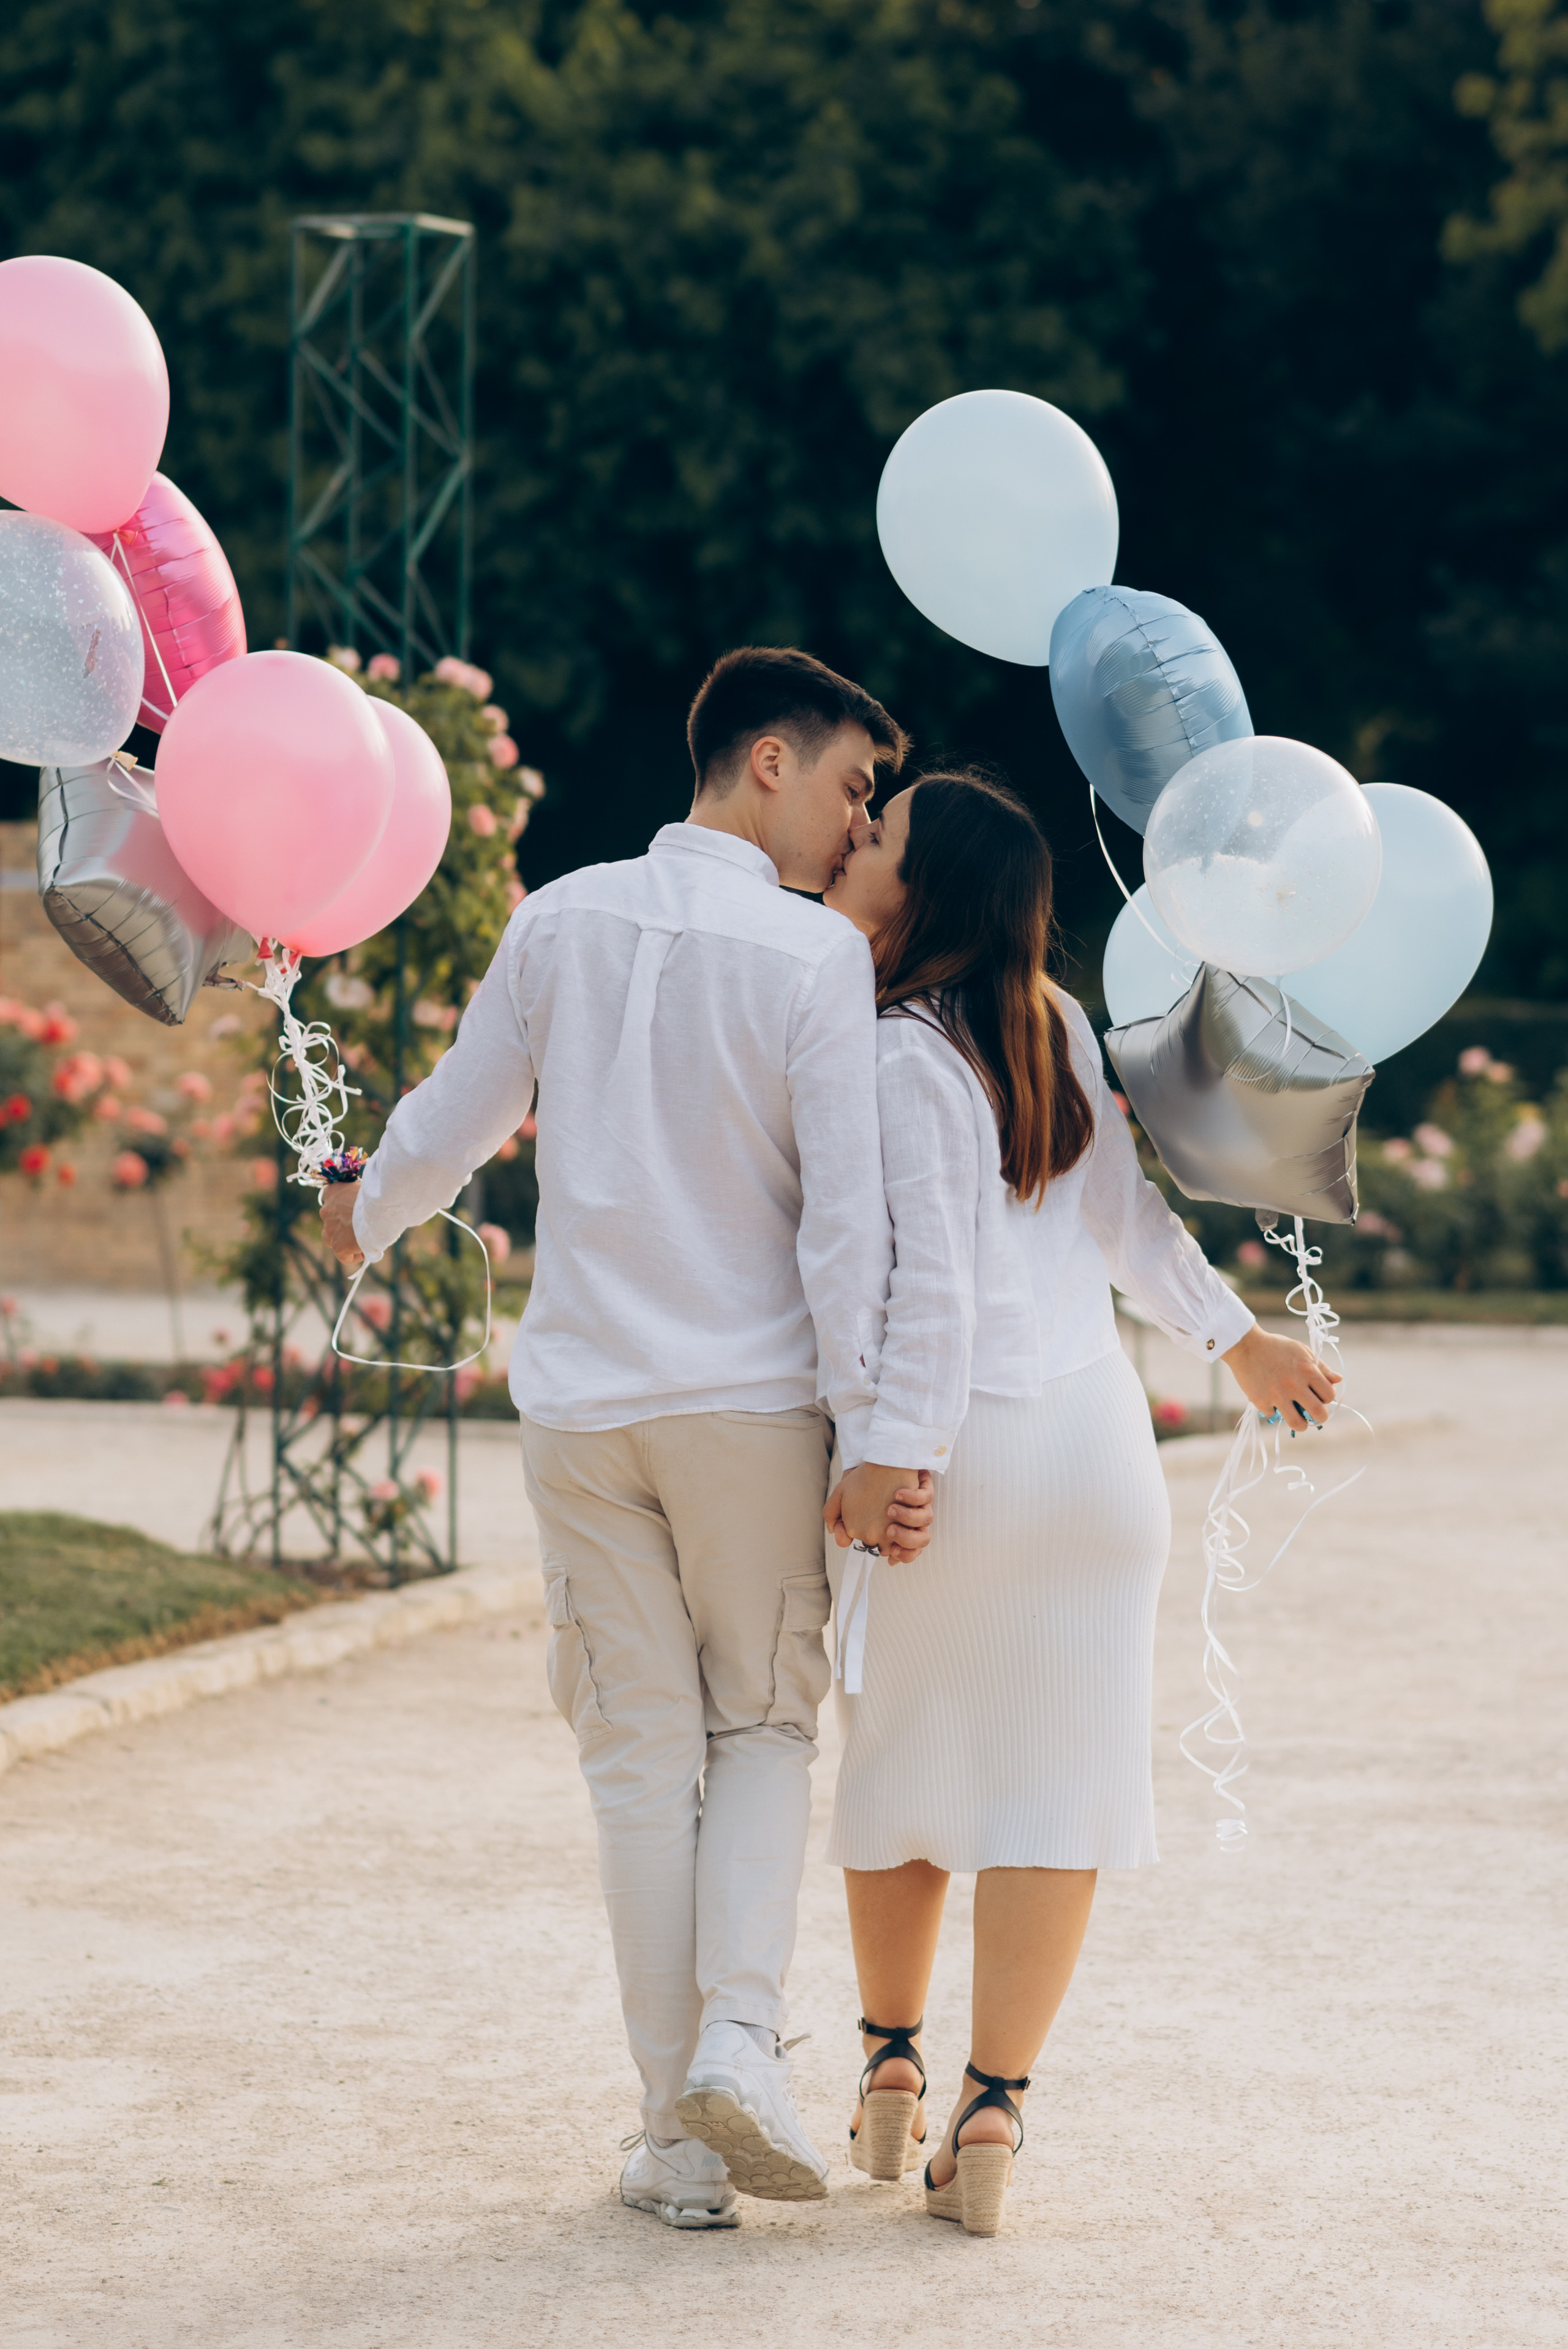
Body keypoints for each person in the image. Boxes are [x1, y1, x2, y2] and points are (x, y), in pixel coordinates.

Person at [319, 646, 935, 2230]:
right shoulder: (812, 957)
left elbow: (457, 1117)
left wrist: (361, 1216)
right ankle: (739, 2037)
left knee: (640, 1763)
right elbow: (844, 1227)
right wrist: (868, 1429)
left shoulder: (560, 918)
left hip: (584, 1410)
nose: (857, 823)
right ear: (768, 762)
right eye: (853, 785)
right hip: (749, 1407)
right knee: (764, 1731)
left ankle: (678, 2144)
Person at [819, 770, 1340, 2237]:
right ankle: (990, 2110)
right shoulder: (1047, 1019)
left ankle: (886, 2064)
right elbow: (1127, 1220)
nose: (858, 839)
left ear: (928, 887)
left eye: (882, 833)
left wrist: (892, 1455)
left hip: (960, 1459)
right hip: (1094, 1452)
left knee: (904, 1762)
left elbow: (933, 1287)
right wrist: (1237, 1344)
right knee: (1055, 1790)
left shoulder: (899, 1048)